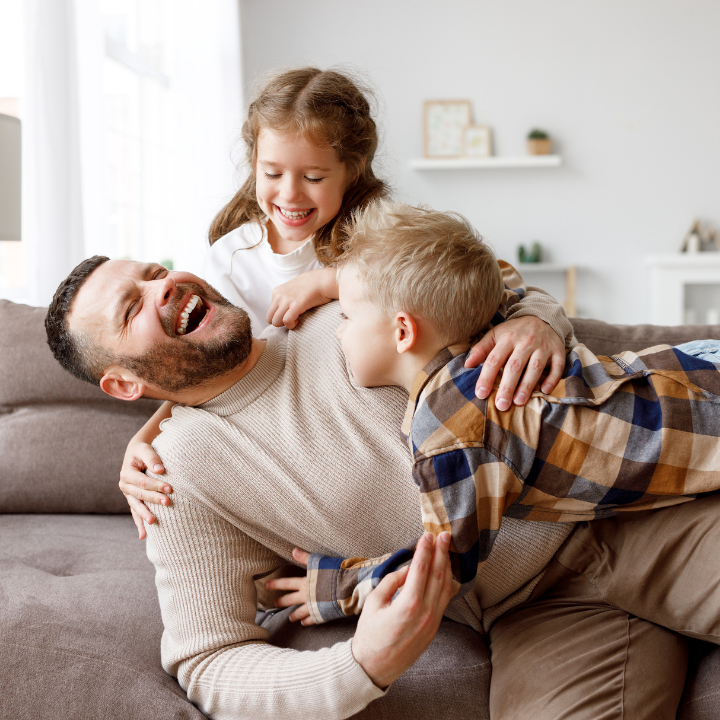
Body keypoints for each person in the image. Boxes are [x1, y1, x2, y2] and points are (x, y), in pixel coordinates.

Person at [46, 256, 720, 719]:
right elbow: (207, 662)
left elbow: (485, 275)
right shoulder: (177, 477)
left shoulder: (331, 306)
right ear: (123, 385)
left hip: (634, 505)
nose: (164, 287)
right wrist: (362, 662)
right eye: (134, 306)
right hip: (538, 615)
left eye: (157, 271)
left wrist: (535, 317)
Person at [120, 67, 575, 538]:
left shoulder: (378, 232)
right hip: (300, 447)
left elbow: (491, 280)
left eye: (314, 177)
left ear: (351, 170)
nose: (290, 194)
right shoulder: (232, 259)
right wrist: (144, 436)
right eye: (272, 173)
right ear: (253, 162)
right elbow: (201, 370)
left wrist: (331, 281)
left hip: (404, 430)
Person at [264, 201, 720, 626]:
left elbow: (442, 569)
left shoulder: (451, 431)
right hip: (692, 375)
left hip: (702, 408)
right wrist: (332, 281)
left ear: (403, 331)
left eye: (345, 316)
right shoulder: (480, 327)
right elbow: (489, 278)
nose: (339, 333)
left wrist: (337, 588)